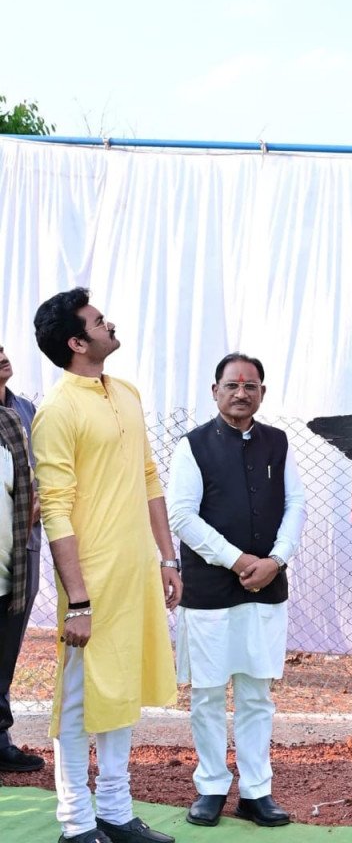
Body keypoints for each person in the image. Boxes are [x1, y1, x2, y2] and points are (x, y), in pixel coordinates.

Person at [31, 289, 179, 843]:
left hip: (136, 573)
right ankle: (76, 823)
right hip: (90, 580)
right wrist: (79, 601)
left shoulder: (126, 393)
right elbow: (55, 509)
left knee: (122, 691)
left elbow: (148, 478)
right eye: (97, 321)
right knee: (77, 701)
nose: (108, 323)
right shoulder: (58, 410)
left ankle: (116, 814)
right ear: (77, 342)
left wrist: (168, 558)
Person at [166, 353, 306, 828]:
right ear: (215, 391)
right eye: (232, 385)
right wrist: (239, 560)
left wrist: (275, 560)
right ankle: (210, 786)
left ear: (262, 392)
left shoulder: (277, 443)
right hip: (209, 591)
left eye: (250, 386)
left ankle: (256, 791)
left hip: (266, 588)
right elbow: (182, 515)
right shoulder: (192, 446)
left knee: (256, 693)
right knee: (207, 693)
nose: (241, 393)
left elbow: (295, 504)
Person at [0, 343, 46, 773]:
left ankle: (0, 739)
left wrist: (40, 500)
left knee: (6, 648)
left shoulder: (26, 410)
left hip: (19, 551)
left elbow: (45, 468)